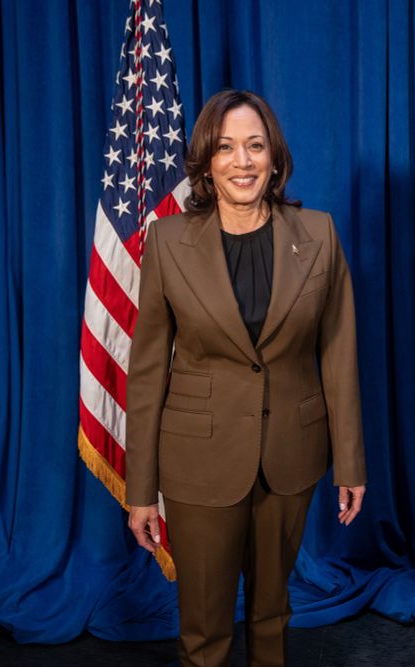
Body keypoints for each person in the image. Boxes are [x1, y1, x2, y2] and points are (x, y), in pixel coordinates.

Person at [124, 89, 366, 667]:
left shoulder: (319, 234)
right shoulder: (167, 241)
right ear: (206, 162)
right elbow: (148, 370)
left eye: (255, 146)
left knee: (272, 614)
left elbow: (339, 352)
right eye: (226, 147)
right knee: (204, 629)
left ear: (274, 158)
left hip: (291, 453)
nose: (242, 161)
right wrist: (140, 490)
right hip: (198, 460)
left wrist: (351, 463)